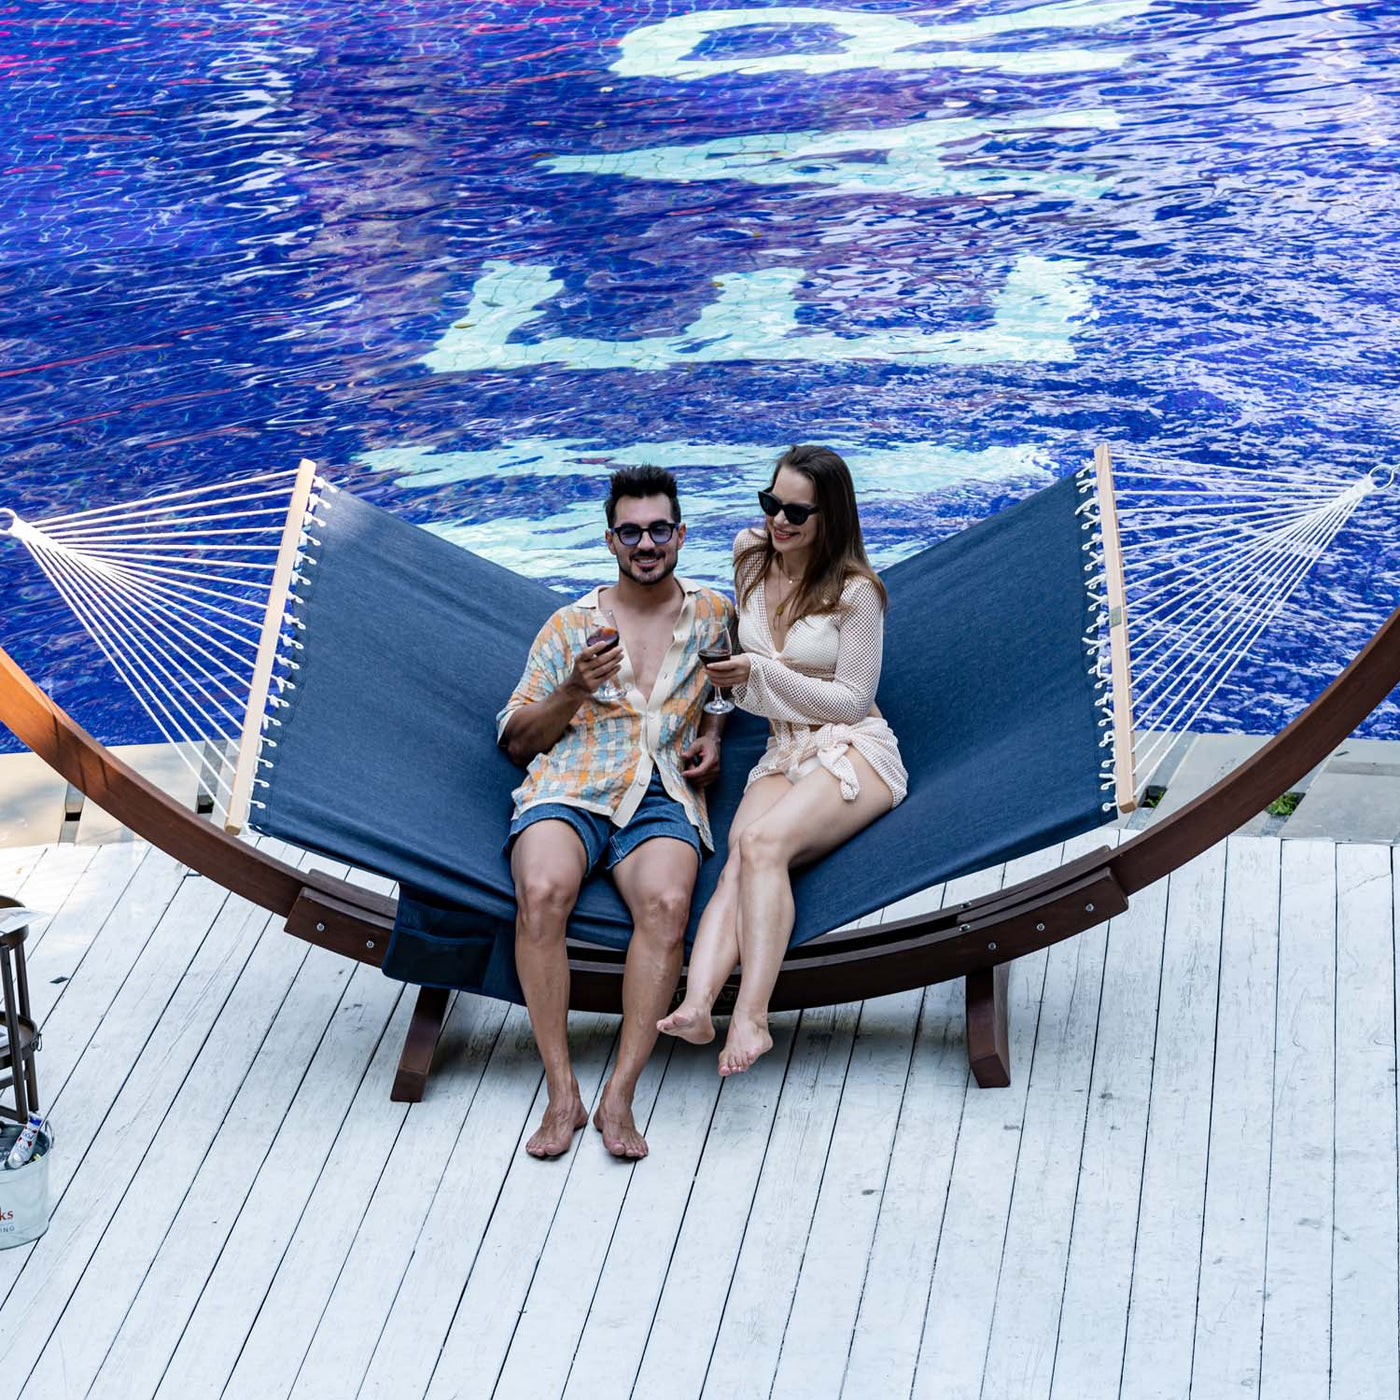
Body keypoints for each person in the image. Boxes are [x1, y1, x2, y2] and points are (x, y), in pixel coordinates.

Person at [498, 465, 735, 1159]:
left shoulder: (713, 615)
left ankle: (620, 1094)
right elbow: (516, 740)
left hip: (662, 791)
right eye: (630, 532)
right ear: (610, 541)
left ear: (681, 534)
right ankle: (562, 1091)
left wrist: (713, 737)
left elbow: (726, 687)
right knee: (541, 891)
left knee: (665, 905)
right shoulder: (570, 626)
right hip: (571, 784)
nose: (646, 543)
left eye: (659, 529)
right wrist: (573, 688)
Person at [658, 445, 907, 1075]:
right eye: (772, 503)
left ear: (832, 516)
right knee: (741, 853)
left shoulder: (857, 594)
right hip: (783, 747)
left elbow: (854, 701)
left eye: (797, 511)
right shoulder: (749, 556)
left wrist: (762, 671)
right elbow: (744, 681)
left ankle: (753, 1017)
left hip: (855, 749)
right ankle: (697, 1003)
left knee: (765, 844)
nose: (780, 520)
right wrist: (728, 692)